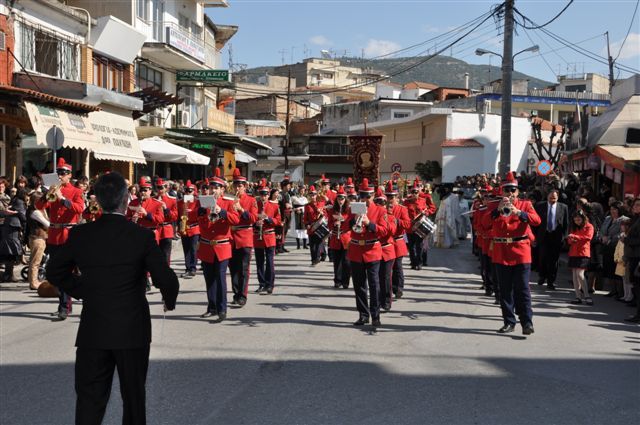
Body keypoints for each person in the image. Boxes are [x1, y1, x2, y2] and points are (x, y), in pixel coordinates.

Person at [46, 172, 179, 425]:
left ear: (98, 199)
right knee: (133, 398)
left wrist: (83, 289)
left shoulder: (81, 234)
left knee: (89, 399)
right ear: (126, 200)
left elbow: (54, 271)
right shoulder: (140, 236)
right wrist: (169, 299)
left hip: (94, 328)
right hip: (132, 329)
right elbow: (166, 277)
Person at [486, 172, 541, 335]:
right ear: (501, 192)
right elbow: (483, 223)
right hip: (501, 252)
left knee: (522, 288)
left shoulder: (525, 204)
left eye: (513, 191)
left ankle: (527, 322)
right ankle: (509, 321)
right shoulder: (493, 205)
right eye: (506, 190)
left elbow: (537, 221)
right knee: (505, 290)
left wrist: (518, 212)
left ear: (517, 192)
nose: (509, 193)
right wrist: (497, 211)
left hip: (521, 251)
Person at [35, 158, 85, 320]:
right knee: (57, 272)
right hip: (54, 236)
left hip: (69, 235)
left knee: (71, 271)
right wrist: (45, 195)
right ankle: (65, 303)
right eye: (59, 173)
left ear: (69, 175)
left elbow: (79, 209)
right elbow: (39, 207)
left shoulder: (76, 191)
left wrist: (62, 198)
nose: (61, 176)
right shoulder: (52, 190)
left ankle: (66, 305)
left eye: (63, 173)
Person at [197, 169, 240, 320]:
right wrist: (202, 213)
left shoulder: (229, 202)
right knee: (209, 278)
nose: (213, 190)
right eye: (211, 187)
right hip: (206, 245)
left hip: (222, 246)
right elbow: (199, 223)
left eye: (216, 187)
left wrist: (221, 212)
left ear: (222, 189)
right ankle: (212, 307)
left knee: (220, 278)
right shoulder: (203, 202)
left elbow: (236, 220)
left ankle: (222, 309)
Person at [347, 178, 390, 327]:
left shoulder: (380, 210)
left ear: (372, 196)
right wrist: (354, 220)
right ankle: (363, 315)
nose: (365, 198)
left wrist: (369, 224)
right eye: (362, 195)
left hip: (372, 251)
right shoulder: (354, 208)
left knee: (374, 285)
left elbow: (385, 231)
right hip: (356, 251)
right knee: (359, 286)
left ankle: (375, 315)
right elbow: (347, 226)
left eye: (367, 196)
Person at [229, 168, 258, 307]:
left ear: (245, 186)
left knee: (243, 268)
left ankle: (243, 295)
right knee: (233, 268)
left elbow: (253, 218)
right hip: (231, 237)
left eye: (240, 185)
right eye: (235, 185)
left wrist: (241, 209)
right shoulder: (229, 199)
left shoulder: (251, 200)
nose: (237, 188)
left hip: (245, 237)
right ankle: (236, 294)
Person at [535, 189, 569, 290]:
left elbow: (566, 223)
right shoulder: (540, 206)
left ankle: (551, 281)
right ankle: (542, 275)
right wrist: (534, 236)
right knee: (543, 257)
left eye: (554, 198)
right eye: (550, 198)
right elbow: (535, 222)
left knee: (554, 260)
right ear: (547, 197)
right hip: (543, 235)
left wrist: (565, 237)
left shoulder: (563, 207)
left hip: (556, 236)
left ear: (557, 198)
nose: (552, 200)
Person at [254, 182, 282, 294]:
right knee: (259, 262)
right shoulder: (255, 205)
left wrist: (268, 219)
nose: (263, 197)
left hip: (269, 235)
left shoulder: (274, 205)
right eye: (261, 194)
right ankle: (261, 284)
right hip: (257, 236)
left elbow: (278, 220)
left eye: (265, 195)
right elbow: (251, 218)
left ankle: (270, 284)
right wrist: (256, 222)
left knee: (270, 262)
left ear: (268, 195)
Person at [386, 181, 411, 299]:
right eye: (388, 196)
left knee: (397, 266)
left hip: (397, 241)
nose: (390, 199)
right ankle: (388, 289)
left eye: (392, 197)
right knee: (387, 269)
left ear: (397, 197)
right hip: (386, 242)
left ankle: (398, 288)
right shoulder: (382, 208)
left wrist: (397, 221)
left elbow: (407, 224)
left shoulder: (402, 209)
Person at [374, 188, 397, 311]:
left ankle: (387, 300)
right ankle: (377, 300)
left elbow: (391, 231)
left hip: (387, 251)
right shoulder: (372, 215)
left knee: (386, 277)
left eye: (382, 202)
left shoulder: (390, 216)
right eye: (377, 201)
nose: (380, 204)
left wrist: (385, 220)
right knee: (375, 278)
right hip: (374, 250)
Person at [568, 210, 595, 305]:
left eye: (579, 219)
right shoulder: (574, 227)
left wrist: (575, 237)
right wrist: (572, 239)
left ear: (583, 218)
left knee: (580, 274)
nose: (577, 221)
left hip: (583, 253)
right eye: (575, 220)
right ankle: (577, 296)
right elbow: (569, 241)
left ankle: (587, 295)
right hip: (573, 252)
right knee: (575, 275)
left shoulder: (589, 226)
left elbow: (588, 237)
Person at [0, 188, 27, 282]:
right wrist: (25, 225)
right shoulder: (20, 202)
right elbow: (22, 215)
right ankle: (8, 274)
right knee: (11, 250)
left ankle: (8, 274)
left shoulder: (14, 200)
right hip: (13, 227)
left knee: (9, 251)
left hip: (9, 226)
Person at [327, 186, 351, 289]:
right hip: (335, 238)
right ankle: (337, 280)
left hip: (346, 237)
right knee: (337, 261)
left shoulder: (349, 210)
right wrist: (334, 224)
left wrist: (343, 223)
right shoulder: (332, 210)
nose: (340, 200)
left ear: (345, 199)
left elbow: (351, 224)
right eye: (339, 198)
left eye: (342, 198)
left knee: (346, 261)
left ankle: (345, 281)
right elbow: (328, 224)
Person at [601, 202, 626, 297]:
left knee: (617, 270)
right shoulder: (608, 218)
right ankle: (613, 290)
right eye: (611, 209)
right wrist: (602, 237)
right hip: (607, 247)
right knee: (609, 269)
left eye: (615, 209)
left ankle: (620, 292)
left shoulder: (624, 220)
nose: (612, 211)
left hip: (617, 247)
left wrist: (610, 239)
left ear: (620, 210)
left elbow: (622, 233)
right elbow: (602, 230)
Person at [622, 197, 640, 323]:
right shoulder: (635, 219)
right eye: (635, 205)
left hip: (638, 256)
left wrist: (626, 239)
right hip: (633, 255)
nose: (635, 206)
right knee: (636, 286)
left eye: (638, 205)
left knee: (638, 286)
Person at [26, 192, 49, 289]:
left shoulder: (39, 210)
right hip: (37, 238)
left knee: (36, 261)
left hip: (39, 237)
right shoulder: (35, 212)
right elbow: (47, 224)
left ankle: (34, 281)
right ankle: (33, 282)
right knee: (35, 261)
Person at [177, 180, 200, 279]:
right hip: (184, 227)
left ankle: (193, 268)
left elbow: (201, 215)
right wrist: (178, 228)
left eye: (190, 190)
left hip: (194, 227)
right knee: (186, 249)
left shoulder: (197, 202)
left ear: (193, 191)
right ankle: (187, 268)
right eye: (186, 190)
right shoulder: (180, 202)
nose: (187, 192)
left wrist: (192, 212)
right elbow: (177, 215)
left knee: (193, 249)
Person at [154, 178, 178, 264]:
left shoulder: (172, 200)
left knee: (166, 253)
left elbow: (175, 217)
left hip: (166, 229)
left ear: (166, 188)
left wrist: (166, 209)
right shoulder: (153, 199)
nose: (160, 190)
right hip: (156, 229)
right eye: (158, 187)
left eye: (161, 187)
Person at [304, 186, 327, 266]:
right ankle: (313, 259)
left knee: (318, 243)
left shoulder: (321, 203)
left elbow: (325, 214)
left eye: (314, 195)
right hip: (311, 227)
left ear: (316, 195)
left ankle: (316, 258)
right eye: (311, 195)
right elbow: (305, 217)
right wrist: (307, 224)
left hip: (319, 226)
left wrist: (321, 212)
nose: (312, 196)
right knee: (312, 245)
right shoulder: (307, 206)